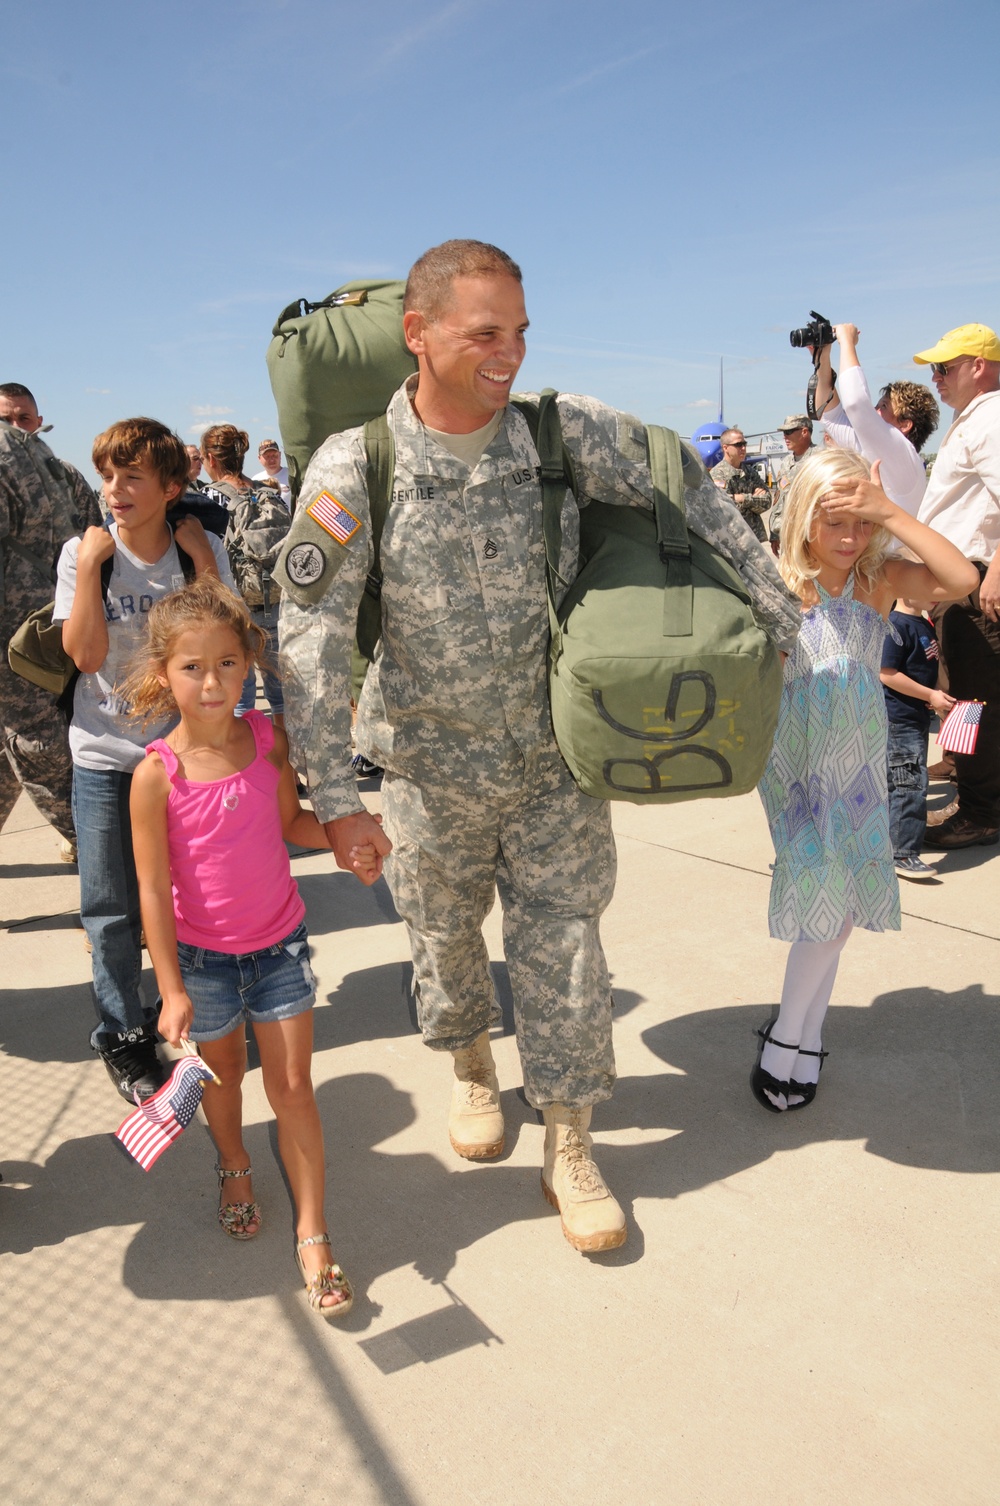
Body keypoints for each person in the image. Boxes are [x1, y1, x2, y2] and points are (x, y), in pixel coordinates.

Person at [275, 238, 802, 1254]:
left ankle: (569, 1138)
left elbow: (684, 487)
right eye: (483, 333)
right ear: (416, 335)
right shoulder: (358, 467)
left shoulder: (562, 436)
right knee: (443, 934)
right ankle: (474, 1068)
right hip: (430, 768)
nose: (507, 352)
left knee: (565, 948)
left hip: (559, 761)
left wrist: (782, 616)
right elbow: (308, 638)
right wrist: (336, 799)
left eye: (519, 330)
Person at [128, 578, 377, 1318]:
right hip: (202, 966)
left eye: (229, 663)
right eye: (193, 667)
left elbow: (292, 824)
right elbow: (150, 892)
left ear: (249, 662)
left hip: (280, 951)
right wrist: (170, 988)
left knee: (293, 1087)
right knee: (225, 1078)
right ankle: (233, 1164)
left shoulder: (268, 741)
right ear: (162, 674)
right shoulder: (154, 777)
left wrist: (343, 839)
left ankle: (313, 1231)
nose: (214, 682)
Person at [753, 450, 978, 1112]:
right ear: (803, 518)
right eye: (834, 523)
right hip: (795, 764)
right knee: (825, 905)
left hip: (858, 761)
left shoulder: (877, 577)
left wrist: (890, 512)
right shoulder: (777, 583)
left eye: (860, 524)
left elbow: (961, 578)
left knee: (843, 906)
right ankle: (787, 1041)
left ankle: (804, 1033)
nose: (850, 539)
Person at [54, 418, 234, 1103]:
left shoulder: (198, 549)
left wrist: (206, 564)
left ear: (171, 488)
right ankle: (124, 1036)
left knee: (191, 897)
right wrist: (94, 568)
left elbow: (228, 646)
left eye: (131, 477)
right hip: (103, 755)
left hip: (181, 757)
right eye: (108, 476)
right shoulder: (83, 552)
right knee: (111, 909)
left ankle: (187, 1013)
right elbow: (87, 658)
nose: (115, 490)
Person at [1, 383, 102, 856]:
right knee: (18, 750)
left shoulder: (65, 476)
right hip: (18, 637)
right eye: (6, 419)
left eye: (23, 419)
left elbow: (98, 543)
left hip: (42, 641)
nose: (15, 429)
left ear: (39, 421)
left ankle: (98, 847)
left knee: (37, 747)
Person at [912, 324, 1000, 850]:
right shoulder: (977, 418)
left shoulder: (989, 418)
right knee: (975, 697)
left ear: (980, 366)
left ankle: (983, 812)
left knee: (975, 700)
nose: (936, 378)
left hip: (974, 582)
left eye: (945, 368)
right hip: (965, 580)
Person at [200, 424, 290, 725]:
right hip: (275, 600)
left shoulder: (210, 499)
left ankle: (248, 764)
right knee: (279, 693)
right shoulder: (268, 492)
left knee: (240, 694)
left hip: (234, 606)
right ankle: (284, 765)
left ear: (211, 459)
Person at [813, 324, 939, 515]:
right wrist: (822, 355)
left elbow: (856, 405)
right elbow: (830, 415)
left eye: (884, 407)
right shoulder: (876, 452)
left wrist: (847, 342)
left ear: (904, 425)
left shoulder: (902, 453)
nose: (875, 410)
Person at [880, 595, 952, 880]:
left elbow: (924, 670)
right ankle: (902, 853)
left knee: (901, 782)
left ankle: (889, 845)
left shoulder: (922, 622)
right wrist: (930, 695)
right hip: (899, 720)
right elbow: (887, 674)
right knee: (909, 785)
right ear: (904, 588)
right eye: (928, 586)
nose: (938, 594)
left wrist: (937, 699)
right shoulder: (896, 626)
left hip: (916, 717)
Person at [768, 414, 818, 553]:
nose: (785, 437)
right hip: (787, 536)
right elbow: (779, 498)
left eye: (789, 432)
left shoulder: (821, 459)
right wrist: (774, 533)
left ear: (804, 432)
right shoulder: (786, 462)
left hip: (811, 537)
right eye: (784, 433)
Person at [710, 428, 770, 542]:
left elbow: (767, 501)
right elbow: (724, 508)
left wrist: (742, 498)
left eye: (744, 444)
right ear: (725, 448)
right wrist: (753, 498)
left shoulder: (750, 472)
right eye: (738, 445)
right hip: (731, 540)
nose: (743, 448)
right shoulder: (717, 474)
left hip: (753, 539)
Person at [252, 440, 292, 510]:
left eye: (274, 455)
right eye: (267, 457)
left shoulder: (291, 475)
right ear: (259, 458)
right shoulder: (255, 480)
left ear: (280, 455)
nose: (272, 460)